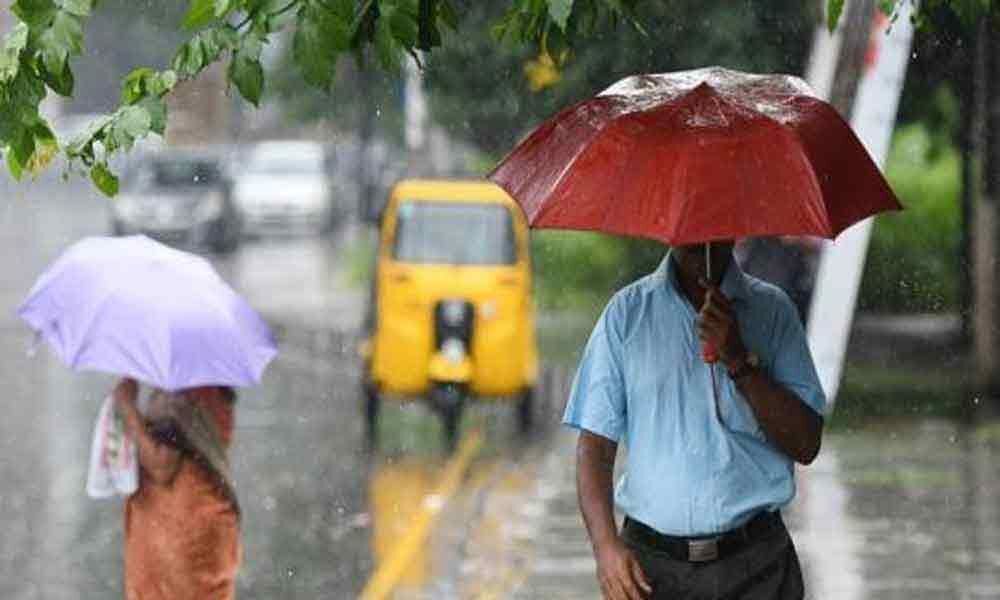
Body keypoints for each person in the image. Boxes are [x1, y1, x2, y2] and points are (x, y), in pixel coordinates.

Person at [564, 242, 825, 600]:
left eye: (713, 222)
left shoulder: (773, 311)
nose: (699, 238)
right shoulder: (626, 314)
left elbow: (806, 443)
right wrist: (606, 547)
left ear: (734, 229)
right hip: (651, 571)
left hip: (758, 568)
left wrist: (738, 360)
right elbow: (593, 448)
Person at [113, 377, 242, 600]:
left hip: (179, 537)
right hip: (208, 531)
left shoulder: (183, 392)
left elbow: (162, 463)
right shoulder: (217, 394)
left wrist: (126, 406)